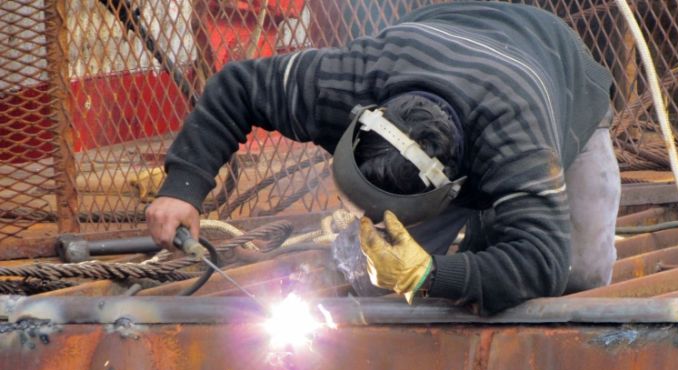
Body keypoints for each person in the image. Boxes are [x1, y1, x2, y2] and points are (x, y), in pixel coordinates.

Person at [146, 2, 620, 315]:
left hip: (557, 72)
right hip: (444, 34)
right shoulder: (347, 81)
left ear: (449, 190)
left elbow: (542, 261)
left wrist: (431, 274)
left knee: (580, 270)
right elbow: (237, 87)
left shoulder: (519, 141)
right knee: (373, 277)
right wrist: (182, 187)